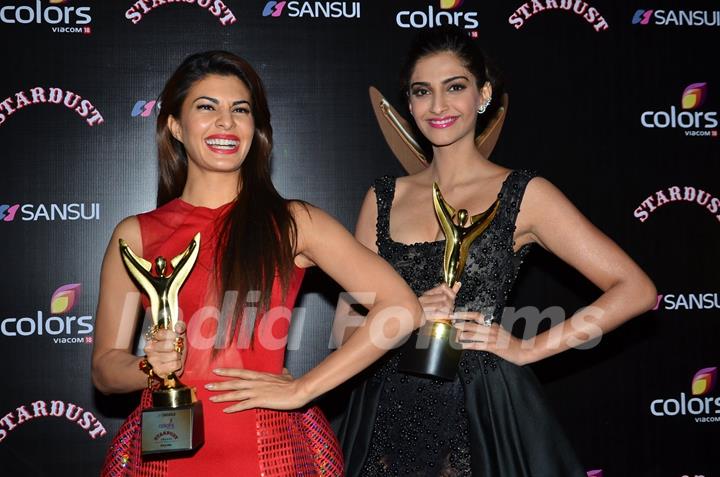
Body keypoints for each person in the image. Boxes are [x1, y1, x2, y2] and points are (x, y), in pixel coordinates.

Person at [338, 27, 657, 476]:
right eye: (422, 92)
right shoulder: (382, 197)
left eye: (455, 87)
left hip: (480, 415)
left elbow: (636, 291)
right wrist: (399, 314)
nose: (439, 106)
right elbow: (346, 334)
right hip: (385, 412)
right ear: (409, 106)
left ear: (483, 95)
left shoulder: (524, 194)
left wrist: (528, 349)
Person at [91, 50, 423, 477]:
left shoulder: (292, 222)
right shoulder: (135, 235)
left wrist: (304, 388)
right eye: (207, 107)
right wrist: (149, 368)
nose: (226, 122)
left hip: (269, 453)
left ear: (255, 128)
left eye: (240, 110)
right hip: (166, 456)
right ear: (174, 125)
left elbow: (402, 307)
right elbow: (104, 369)